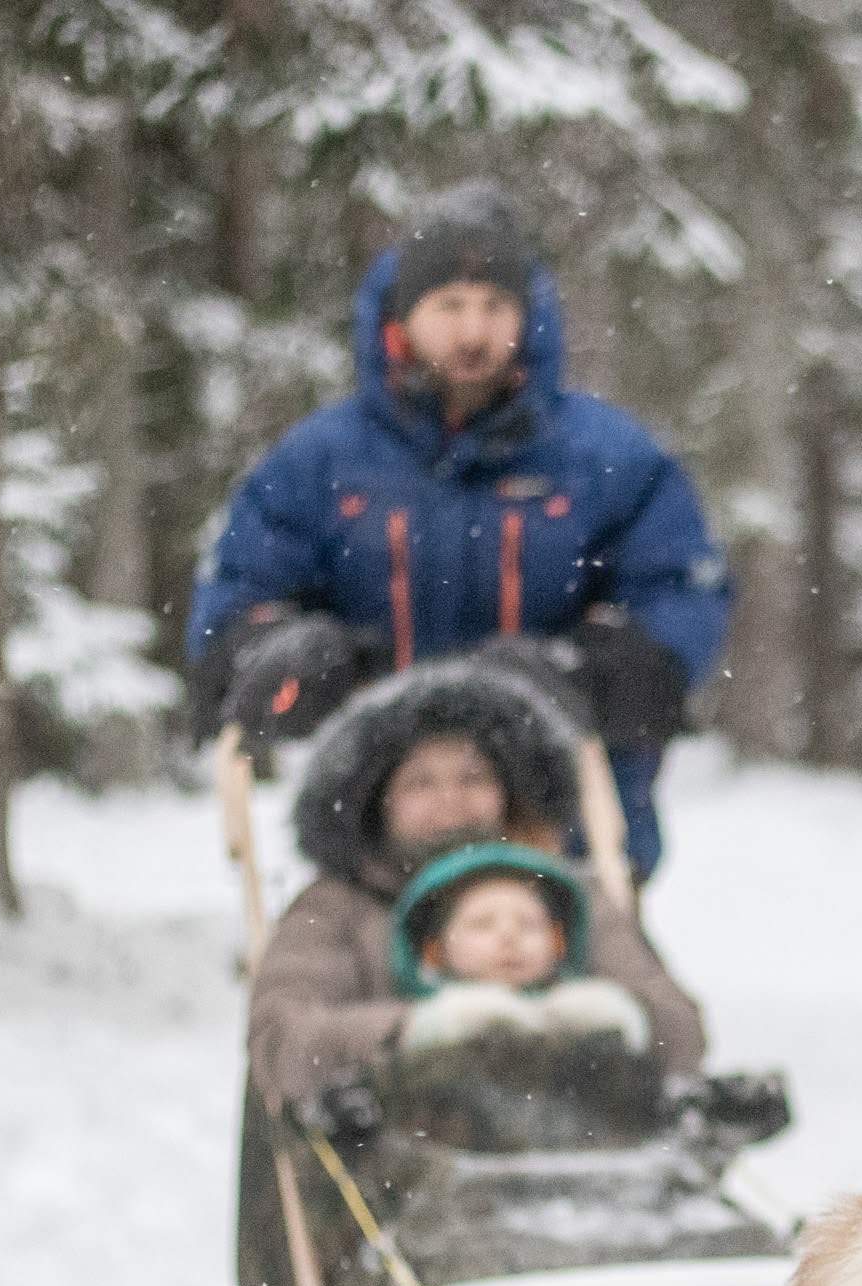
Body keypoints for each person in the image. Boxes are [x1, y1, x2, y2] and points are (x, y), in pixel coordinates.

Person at [186, 183, 729, 880]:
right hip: (379, 833)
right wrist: (280, 647)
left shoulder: (607, 457)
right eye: (449, 306)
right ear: (401, 319)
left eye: (495, 307)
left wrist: (592, 664)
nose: (473, 332)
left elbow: (680, 589)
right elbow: (239, 595)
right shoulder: (319, 462)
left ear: (527, 318)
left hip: (564, 828)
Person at [247, 660, 704, 1111]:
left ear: (508, 790)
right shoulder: (336, 905)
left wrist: (600, 1017)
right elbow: (282, 1042)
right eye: (420, 783)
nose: (451, 799)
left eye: (473, 777)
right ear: (377, 802)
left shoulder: (565, 891)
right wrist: (417, 1030)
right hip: (393, 1138)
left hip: (576, 1130)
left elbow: (680, 1030)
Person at [386, 841, 654, 1055]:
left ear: (558, 943)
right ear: (433, 951)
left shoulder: (595, 1025)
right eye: (482, 924)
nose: (509, 936)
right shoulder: (427, 1039)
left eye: (528, 925)